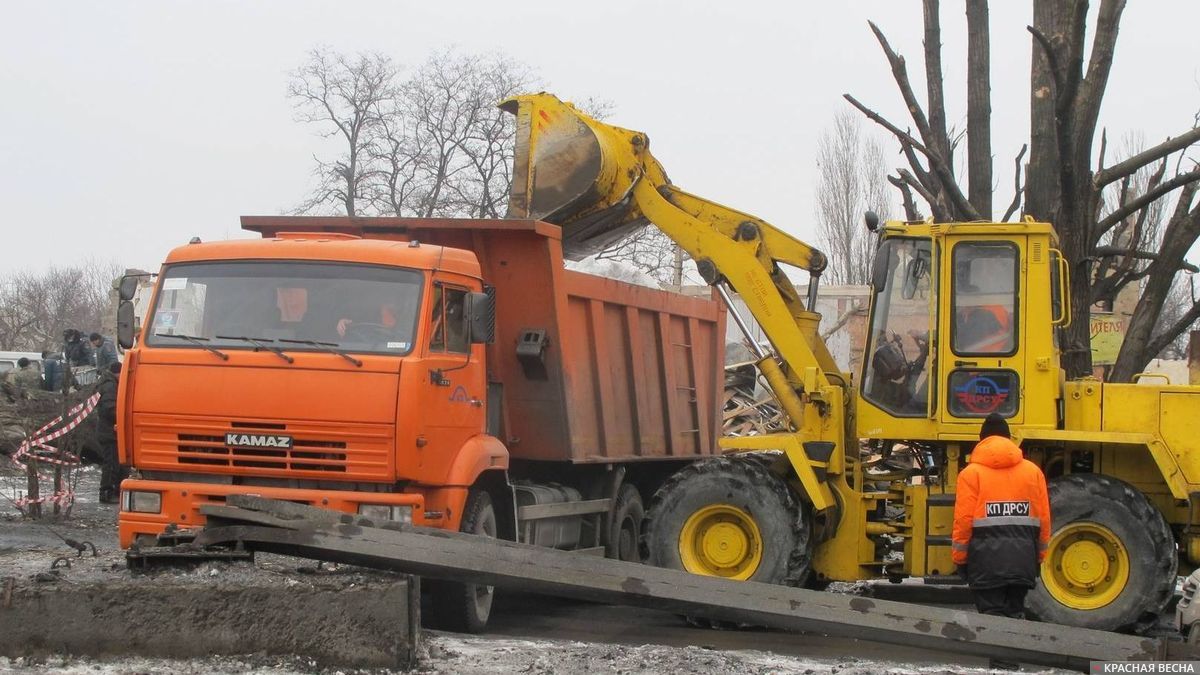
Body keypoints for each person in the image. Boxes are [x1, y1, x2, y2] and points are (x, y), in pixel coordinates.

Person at [952, 413, 1051, 620]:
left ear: (982, 439)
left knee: (991, 621)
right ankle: (1013, 652)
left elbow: (963, 522)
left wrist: (960, 560)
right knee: (1014, 616)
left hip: (984, 565)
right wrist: (1038, 559)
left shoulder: (971, 474)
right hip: (1022, 564)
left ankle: (997, 652)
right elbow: (1044, 520)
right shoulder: (1033, 472)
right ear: (1009, 438)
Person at [95, 362, 127, 504]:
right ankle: (106, 492)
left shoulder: (110, 384)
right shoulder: (110, 386)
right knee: (111, 464)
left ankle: (114, 490)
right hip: (109, 432)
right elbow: (110, 408)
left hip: (112, 431)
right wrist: (122, 418)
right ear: (118, 373)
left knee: (118, 464)